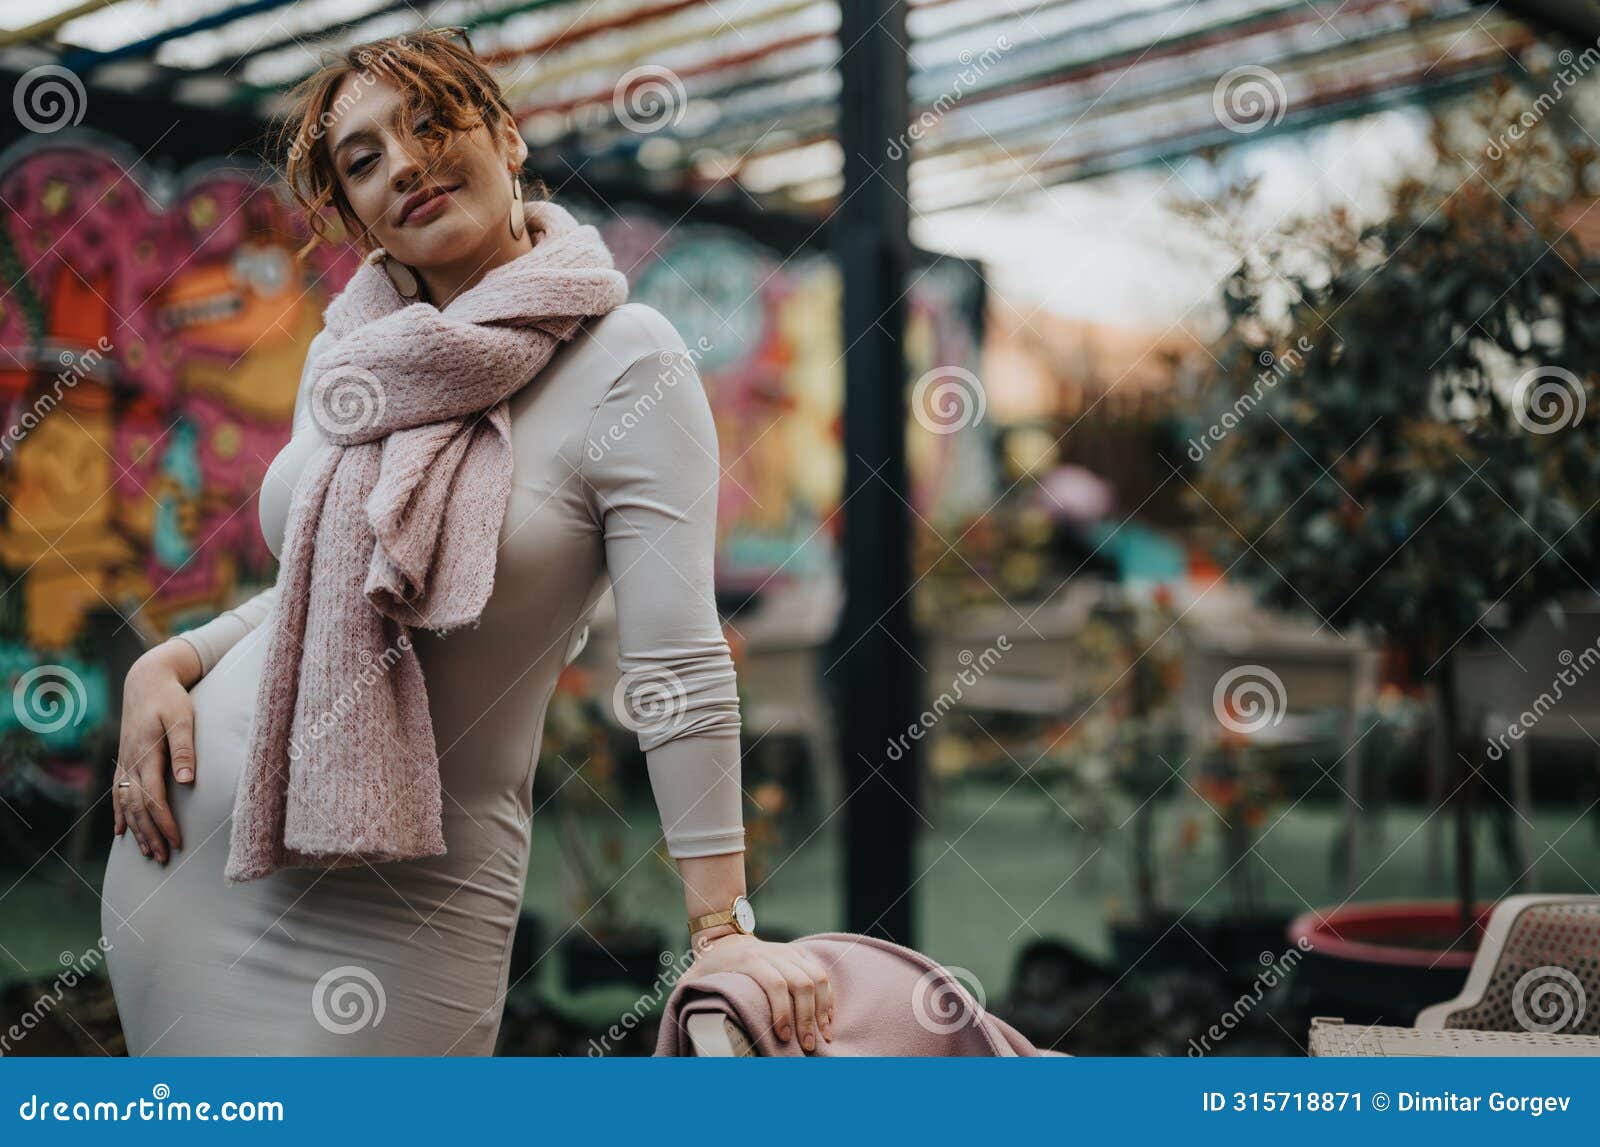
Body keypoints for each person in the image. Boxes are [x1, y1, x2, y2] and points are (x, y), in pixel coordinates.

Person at [100, 27, 832, 1055]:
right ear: (354, 212)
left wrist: (720, 927)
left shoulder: (627, 361)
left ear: (506, 136)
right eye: (362, 160)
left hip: (405, 908)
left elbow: (677, 658)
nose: (402, 163)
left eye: (430, 124)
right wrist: (172, 662)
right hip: (184, 883)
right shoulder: (357, 355)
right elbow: (323, 587)